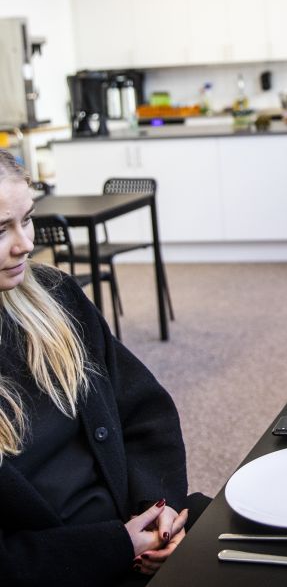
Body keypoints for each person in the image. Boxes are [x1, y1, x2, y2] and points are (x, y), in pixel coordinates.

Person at [0, 149, 208, 586]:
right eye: (1, 229)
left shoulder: (56, 297)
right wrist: (116, 546)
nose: (25, 244)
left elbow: (142, 409)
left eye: (28, 219)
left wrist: (159, 514)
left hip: (131, 533)